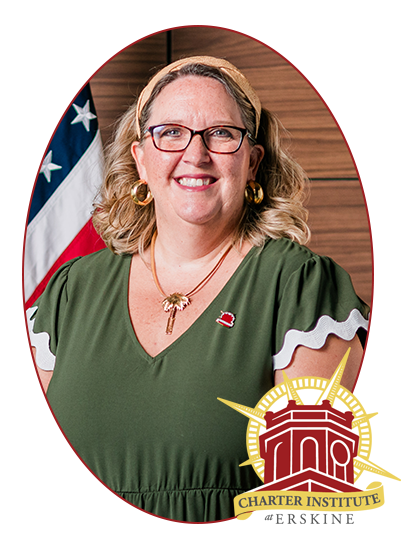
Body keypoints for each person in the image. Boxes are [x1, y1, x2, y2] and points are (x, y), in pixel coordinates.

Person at [27, 56, 369, 522]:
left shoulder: (300, 289)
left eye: (221, 134)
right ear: (140, 160)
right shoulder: (71, 291)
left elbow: (307, 503)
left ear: (253, 161)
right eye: (171, 132)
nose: (196, 154)